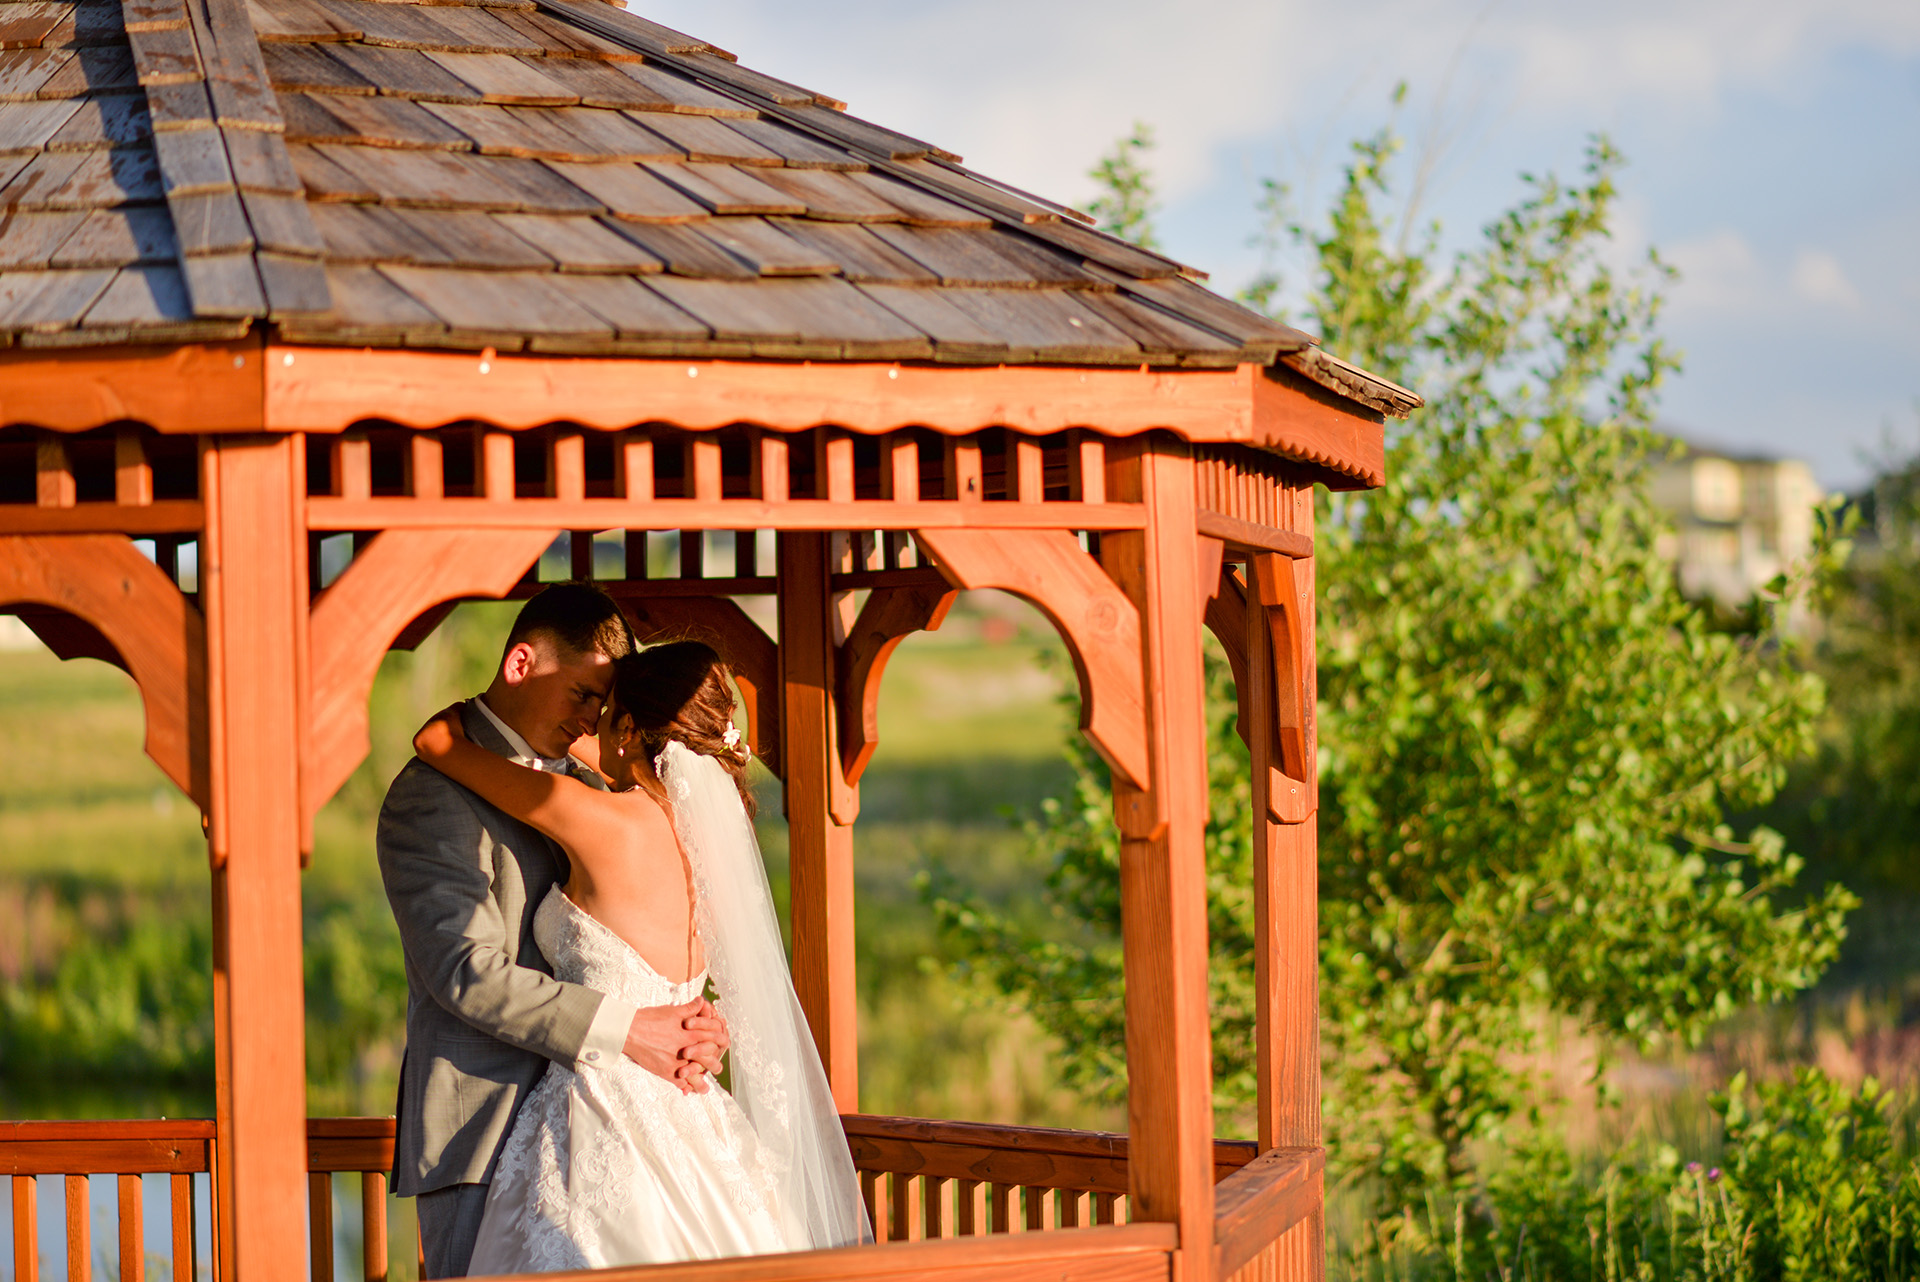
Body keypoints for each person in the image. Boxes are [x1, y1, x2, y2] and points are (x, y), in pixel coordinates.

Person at [411, 639, 869, 1272]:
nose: (586, 726)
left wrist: (474, 711)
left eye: (602, 714)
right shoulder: (708, 836)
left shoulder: (596, 818)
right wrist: (620, 729)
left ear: (627, 729)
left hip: (604, 1108)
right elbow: (609, 753)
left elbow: (436, 744)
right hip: (691, 1104)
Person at [377, 585, 731, 1280]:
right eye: (582, 694)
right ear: (521, 664)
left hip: (616, 1130)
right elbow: (465, 972)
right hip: (485, 1133)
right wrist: (633, 1029)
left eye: (604, 703)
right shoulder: (433, 794)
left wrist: (688, 1024)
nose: (591, 719)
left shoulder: (597, 790)